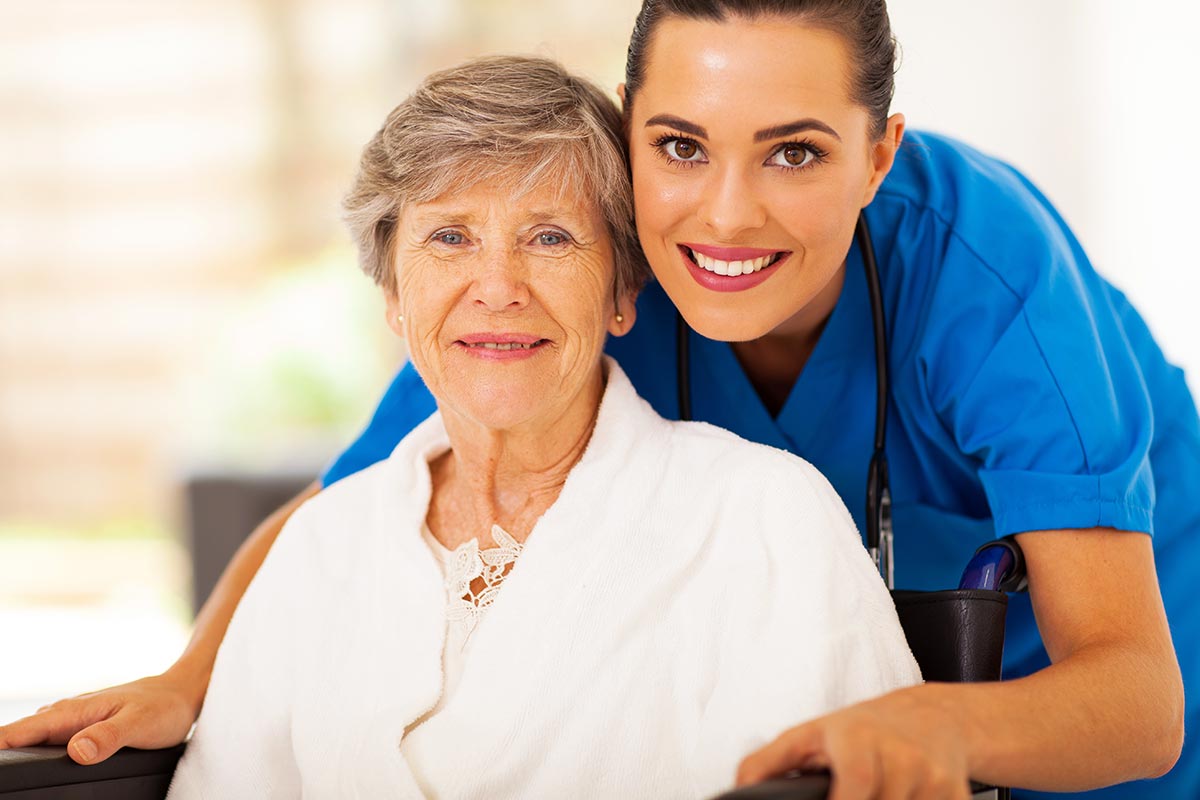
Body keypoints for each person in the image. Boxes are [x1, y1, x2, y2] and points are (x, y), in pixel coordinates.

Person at [1, 1, 1192, 798]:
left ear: (877, 156)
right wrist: (186, 677)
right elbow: (342, 508)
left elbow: (1139, 698)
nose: (725, 215)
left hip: (1108, 662)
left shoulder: (987, 278)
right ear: (631, 139)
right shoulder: (591, 262)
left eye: (795, 152)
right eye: (680, 145)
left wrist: (947, 725)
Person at [162, 55, 920, 798]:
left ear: (624, 294)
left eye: (550, 237)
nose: (497, 289)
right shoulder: (321, 545)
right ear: (393, 296)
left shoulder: (762, 517)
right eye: (450, 237)